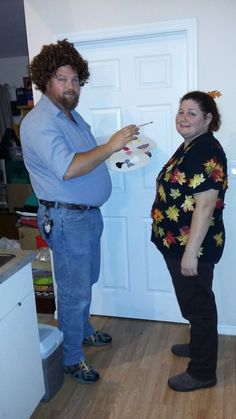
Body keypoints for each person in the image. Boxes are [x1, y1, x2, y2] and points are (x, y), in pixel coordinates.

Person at [20, 39, 139, 384]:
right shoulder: (40, 122)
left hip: (84, 215)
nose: (70, 86)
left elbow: (90, 157)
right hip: (67, 218)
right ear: (46, 80)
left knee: (84, 282)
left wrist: (116, 151)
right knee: (73, 291)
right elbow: (69, 168)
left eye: (75, 79)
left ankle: (83, 330)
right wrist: (111, 144)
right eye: (62, 78)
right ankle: (72, 358)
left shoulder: (70, 116)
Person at [151, 91, 228, 392]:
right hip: (177, 241)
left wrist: (190, 254)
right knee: (193, 302)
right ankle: (198, 345)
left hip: (192, 246)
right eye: (181, 111)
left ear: (208, 119)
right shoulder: (190, 146)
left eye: (192, 113)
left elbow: (206, 206)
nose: (183, 117)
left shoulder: (206, 151)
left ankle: (202, 371)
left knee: (198, 306)